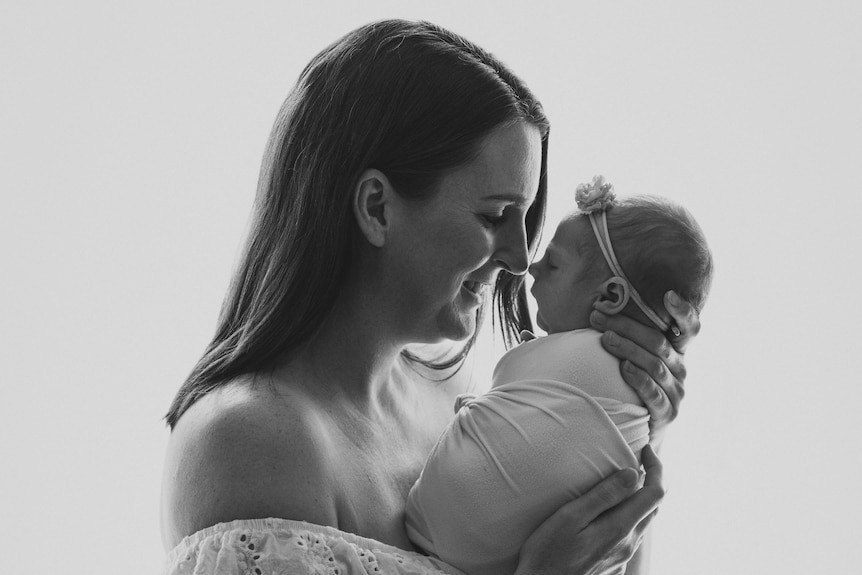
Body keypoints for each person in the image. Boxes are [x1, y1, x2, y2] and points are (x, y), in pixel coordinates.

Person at [160, 20, 700, 575]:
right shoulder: (251, 444)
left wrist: (629, 423)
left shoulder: (460, 399)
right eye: (494, 216)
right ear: (376, 207)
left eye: (525, 218)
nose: (519, 259)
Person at [404, 177, 713, 575]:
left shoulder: (497, 376)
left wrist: (652, 432)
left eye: (552, 263)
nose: (525, 264)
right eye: (493, 215)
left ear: (611, 297)